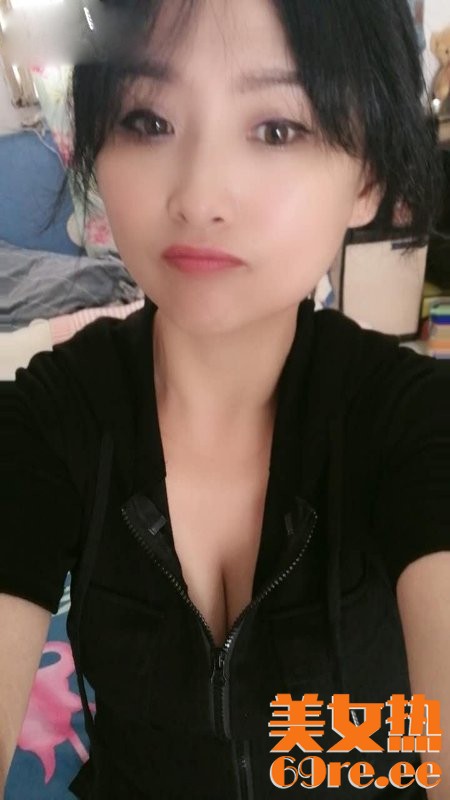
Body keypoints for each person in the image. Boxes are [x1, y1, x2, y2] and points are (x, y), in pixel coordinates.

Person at [1, 0, 450, 797]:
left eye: (276, 129)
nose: (200, 197)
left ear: (369, 178)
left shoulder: (412, 421)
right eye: (147, 120)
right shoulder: (50, 420)